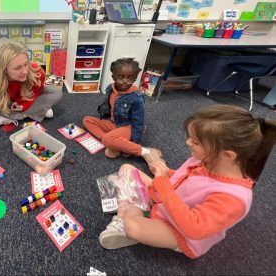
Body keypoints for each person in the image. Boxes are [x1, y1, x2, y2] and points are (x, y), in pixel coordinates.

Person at [99, 104, 276, 258]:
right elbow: (190, 180)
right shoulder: (206, 159)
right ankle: (130, 210)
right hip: (165, 200)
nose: (187, 142)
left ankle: (125, 215)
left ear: (227, 155)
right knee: (127, 169)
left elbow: (193, 228)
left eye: (196, 141)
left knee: (133, 227)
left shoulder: (234, 199)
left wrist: (161, 184)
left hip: (181, 232)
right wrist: (168, 173)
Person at [83, 58, 161, 164]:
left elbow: (139, 123)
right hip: (113, 123)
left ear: (134, 79)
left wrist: (135, 144)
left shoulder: (136, 97)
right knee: (87, 120)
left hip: (129, 127)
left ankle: (145, 151)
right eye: (120, 77)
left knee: (107, 139)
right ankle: (112, 141)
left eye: (130, 78)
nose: (125, 81)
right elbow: (108, 106)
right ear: (113, 77)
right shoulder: (110, 88)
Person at [0, 42, 62, 127]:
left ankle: (12, 116)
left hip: (27, 98)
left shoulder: (37, 72)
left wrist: (22, 105)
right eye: (17, 68)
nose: (25, 71)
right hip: (10, 102)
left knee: (56, 91)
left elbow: (35, 92)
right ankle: (37, 112)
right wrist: (8, 104)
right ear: (4, 69)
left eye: (26, 64)